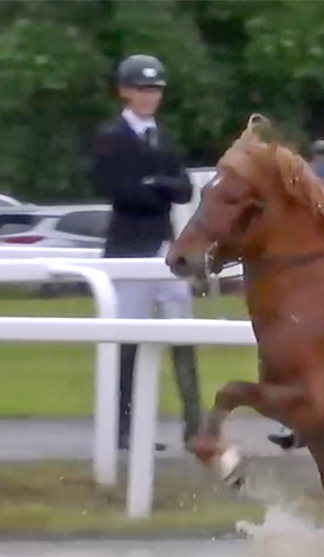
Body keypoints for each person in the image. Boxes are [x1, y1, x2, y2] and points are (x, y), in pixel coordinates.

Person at [91, 53, 202, 452]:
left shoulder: (163, 136)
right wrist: (160, 186)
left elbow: (185, 189)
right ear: (125, 92)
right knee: (127, 341)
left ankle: (195, 426)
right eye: (142, 89)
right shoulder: (111, 137)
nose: (149, 96)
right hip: (129, 248)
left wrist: (154, 183)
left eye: (154, 89)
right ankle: (123, 428)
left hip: (166, 246)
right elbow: (122, 193)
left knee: (183, 336)